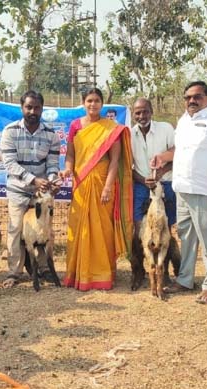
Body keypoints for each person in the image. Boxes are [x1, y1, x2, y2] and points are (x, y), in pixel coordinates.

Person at [154, 81, 207, 304]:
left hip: (206, 192)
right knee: (186, 237)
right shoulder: (184, 120)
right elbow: (180, 151)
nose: (192, 101)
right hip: (182, 190)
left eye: (197, 96)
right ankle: (185, 279)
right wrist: (163, 157)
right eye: (188, 97)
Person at [58, 87, 133, 291]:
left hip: (102, 183)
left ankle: (102, 274)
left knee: (103, 230)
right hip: (80, 183)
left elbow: (115, 159)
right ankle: (77, 274)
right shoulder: (75, 126)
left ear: (102, 104)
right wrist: (67, 169)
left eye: (97, 101)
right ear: (83, 103)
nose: (93, 104)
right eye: (89, 100)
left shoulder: (110, 128)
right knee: (79, 229)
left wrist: (109, 185)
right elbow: (70, 154)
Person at [0, 90, 61, 287]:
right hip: (18, 190)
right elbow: (10, 164)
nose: (32, 111)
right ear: (22, 108)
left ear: (42, 109)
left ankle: (43, 269)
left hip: (41, 195)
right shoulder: (10, 131)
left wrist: (51, 182)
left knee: (42, 231)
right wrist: (33, 180)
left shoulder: (51, 135)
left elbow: (52, 164)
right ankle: (14, 273)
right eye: (29, 107)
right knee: (16, 229)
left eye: (36, 107)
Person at [129, 97, 180, 288]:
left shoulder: (166, 129)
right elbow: (128, 166)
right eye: (138, 112)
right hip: (141, 186)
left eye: (145, 111)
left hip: (165, 185)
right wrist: (143, 180)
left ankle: (164, 272)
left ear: (151, 111)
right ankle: (139, 271)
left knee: (164, 231)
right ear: (133, 114)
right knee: (139, 229)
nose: (142, 116)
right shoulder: (129, 134)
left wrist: (160, 173)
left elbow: (178, 154)